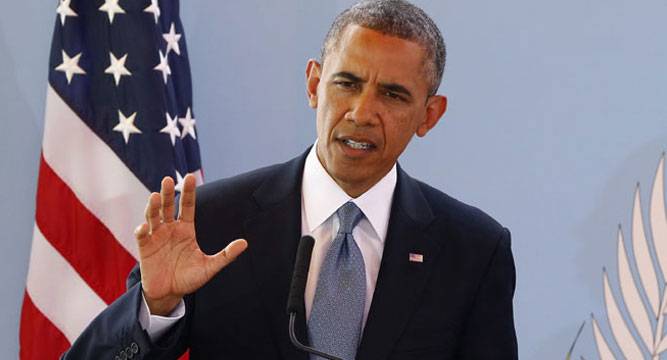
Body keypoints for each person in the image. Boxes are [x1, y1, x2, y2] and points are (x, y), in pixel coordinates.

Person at [63, 0, 517, 359]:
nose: (361, 113)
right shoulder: (214, 222)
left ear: (429, 115)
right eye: (347, 83)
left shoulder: (472, 251)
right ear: (313, 84)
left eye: (392, 94)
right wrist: (153, 309)